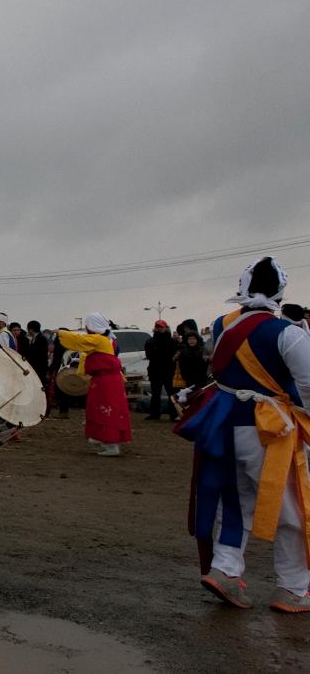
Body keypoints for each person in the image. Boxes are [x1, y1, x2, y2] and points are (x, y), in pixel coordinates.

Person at [176, 256, 310, 613]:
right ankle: (294, 588)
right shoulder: (288, 333)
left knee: (233, 502)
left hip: (223, 423)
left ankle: (226, 570)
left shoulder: (222, 325)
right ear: (281, 290)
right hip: (269, 428)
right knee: (291, 510)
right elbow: (309, 385)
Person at [57, 314, 131, 457]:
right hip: (105, 380)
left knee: (106, 411)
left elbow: (78, 340)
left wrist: (61, 333)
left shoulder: (99, 339)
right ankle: (105, 442)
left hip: (106, 381)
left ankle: (110, 444)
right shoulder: (107, 339)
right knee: (102, 409)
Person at [144, 320, 179, 421]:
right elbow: (149, 355)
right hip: (155, 371)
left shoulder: (172, 341)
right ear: (155, 328)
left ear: (166, 327)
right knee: (155, 394)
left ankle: (173, 414)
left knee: (171, 393)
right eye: (158, 327)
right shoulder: (150, 341)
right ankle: (154, 414)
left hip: (169, 371)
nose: (160, 329)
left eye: (162, 327)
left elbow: (175, 355)